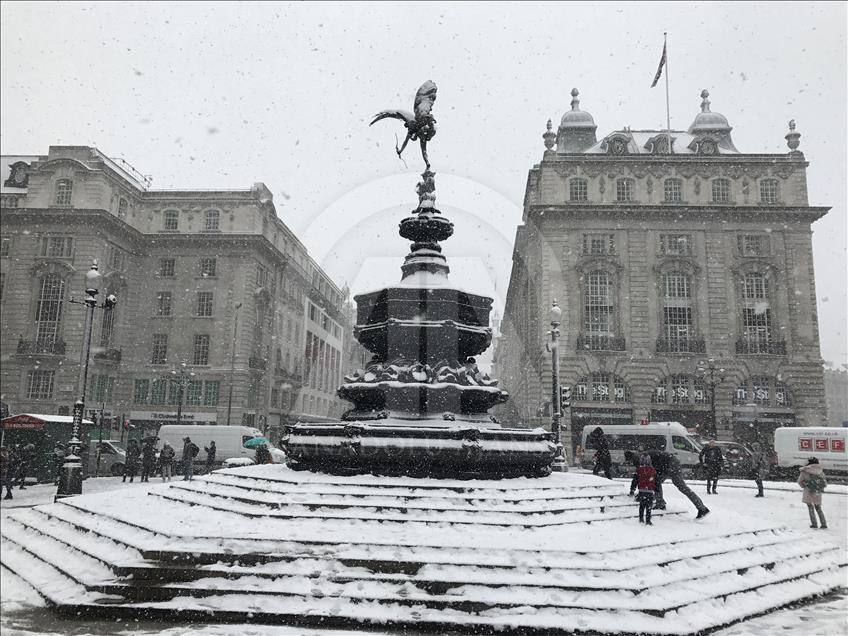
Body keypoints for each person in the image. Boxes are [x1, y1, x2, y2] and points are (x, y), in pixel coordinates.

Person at [626, 449, 710, 520]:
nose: (630, 464)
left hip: (670, 464)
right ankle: (660, 503)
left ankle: (702, 508)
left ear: (630, 458)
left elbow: (639, 477)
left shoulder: (639, 459)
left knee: (681, 486)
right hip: (668, 464)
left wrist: (634, 491)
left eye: (629, 462)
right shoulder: (642, 455)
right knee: (657, 482)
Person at [798, 457, 827, 529]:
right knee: (818, 508)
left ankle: (814, 524)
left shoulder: (805, 471)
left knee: (810, 508)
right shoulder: (820, 471)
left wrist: (805, 485)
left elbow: (799, 481)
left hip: (808, 491)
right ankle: (823, 524)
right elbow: (824, 483)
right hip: (817, 492)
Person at [636, 454, 657, 525]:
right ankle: (648, 520)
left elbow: (636, 478)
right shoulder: (652, 470)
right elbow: (655, 478)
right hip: (650, 490)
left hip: (642, 490)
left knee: (642, 505)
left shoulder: (639, 469)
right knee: (649, 506)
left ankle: (641, 518)